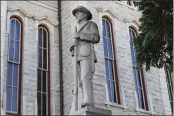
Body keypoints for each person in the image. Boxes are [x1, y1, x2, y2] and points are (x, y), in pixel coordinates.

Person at [70, 6, 100, 108]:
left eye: (78, 13)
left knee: (85, 77)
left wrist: (80, 35)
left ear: (85, 14)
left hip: (87, 53)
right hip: (77, 55)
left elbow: (96, 38)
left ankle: (88, 100)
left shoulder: (91, 24)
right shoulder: (77, 28)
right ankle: (84, 99)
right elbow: (75, 42)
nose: (76, 16)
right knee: (79, 80)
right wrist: (72, 45)